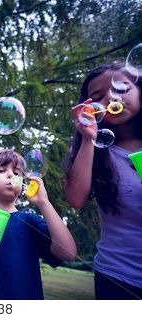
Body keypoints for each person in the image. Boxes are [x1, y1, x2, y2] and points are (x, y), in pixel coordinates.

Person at [0, 149, 76, 299]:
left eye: (17, 173)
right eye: (2, 170)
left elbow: (68, 253)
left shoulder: (31, 222)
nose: (11, 175)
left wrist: (44, 203)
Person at [64, 62, 142, 299]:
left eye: (121, 88)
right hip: (117, 278)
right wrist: (88, 138)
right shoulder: (98, 153)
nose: (110, 97)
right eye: (97, 97)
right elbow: (76, 199)